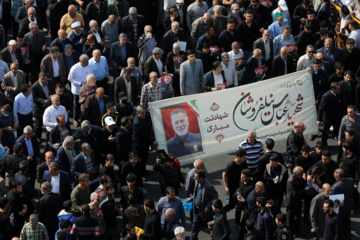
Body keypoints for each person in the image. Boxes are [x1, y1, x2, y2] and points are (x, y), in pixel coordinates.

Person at [189, 170, 218, 240]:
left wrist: (208, 206)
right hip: (197, 211)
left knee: (210, 226)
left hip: (205, 212)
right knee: (194, 227)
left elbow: (215, 196)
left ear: (201, 178)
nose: (194, 178)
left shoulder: (208, 186)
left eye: (196, 177)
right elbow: (197, 194)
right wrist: (192, 198)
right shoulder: (197, 182)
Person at [68, 54, 93, 127]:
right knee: (77, 105)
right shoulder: (75, 68)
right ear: (82, 61)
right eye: (86, 61)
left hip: (87, 89)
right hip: (77, 90)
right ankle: (76, 119)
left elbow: (91, 74)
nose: (88, 62)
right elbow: (70, 78)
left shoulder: (89, 66)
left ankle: (84, 119)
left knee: (87, 104)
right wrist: (80, 83)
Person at [286, 166, 310, 235]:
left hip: (297, 201)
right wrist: (305, 190)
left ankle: (297, 231)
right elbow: (295, 193)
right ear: (296, 174)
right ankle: (290, 233)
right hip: (291, 202)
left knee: (298, 217)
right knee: (290, 219)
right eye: (301, 174)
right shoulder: (291, 181)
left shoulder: (298, 177)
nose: (303, 175)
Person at [331, 168, 354, 239]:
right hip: (349, 206)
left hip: (340, 209)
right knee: (347, 223)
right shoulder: (351, 180)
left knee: (339, 226)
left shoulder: (335, 187)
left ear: (338, 177)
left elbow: (331, 197)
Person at [132, 105, 157, 172]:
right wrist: (152, 142)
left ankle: (144, 170)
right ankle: (141, 172)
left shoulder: (144, 116)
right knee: (141, 159)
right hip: (140, 144)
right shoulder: (137, 123)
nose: (144, 114)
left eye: (144, 112)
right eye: (142, 113)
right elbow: (143, 135)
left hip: (145, 142)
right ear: (138, 113)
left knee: (145, 157)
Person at [222, 148, 247, 213]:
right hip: (231, 187)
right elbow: (224, 174)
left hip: (239, 186)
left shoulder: (243, 163)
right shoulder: (231, 165)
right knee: (232, 204)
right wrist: (226, 186)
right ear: (238, 157)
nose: (245, 159)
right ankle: (220, 212)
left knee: (240, 202)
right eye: (243, 158)